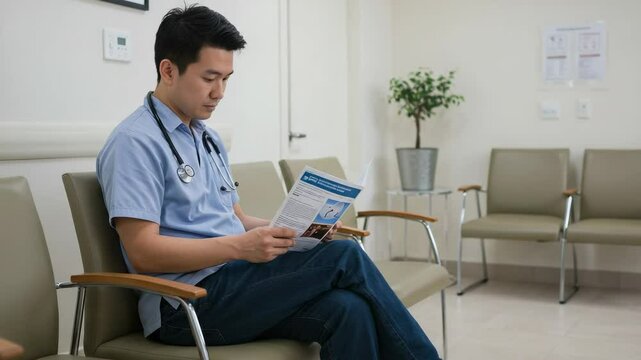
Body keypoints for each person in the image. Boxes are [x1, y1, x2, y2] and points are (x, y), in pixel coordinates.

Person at [97, 4, 441, 360]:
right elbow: (143, 252)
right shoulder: (134, 143)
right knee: (345, 256)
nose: (220, 92)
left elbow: (238, 219)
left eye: (227, 79)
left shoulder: (207, 138)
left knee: (347, 309)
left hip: (234, 281)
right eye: (209, 78)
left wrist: (304, 229)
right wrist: (240, 247)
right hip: (184, 305)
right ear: (168, 70)